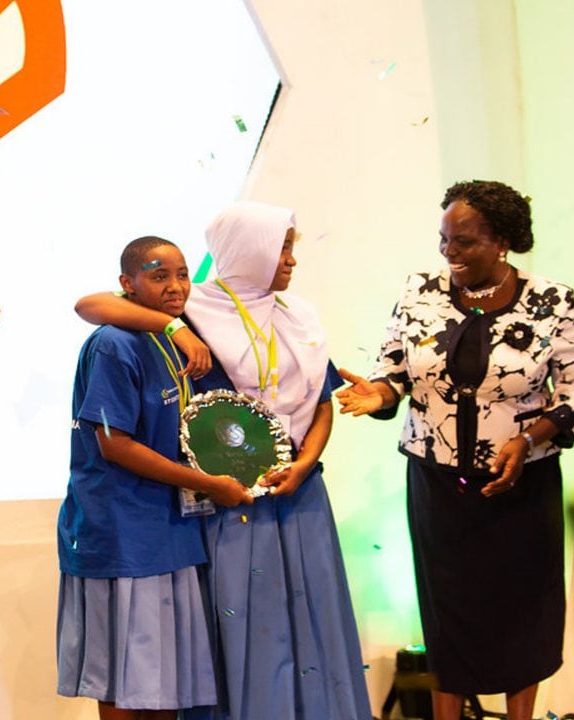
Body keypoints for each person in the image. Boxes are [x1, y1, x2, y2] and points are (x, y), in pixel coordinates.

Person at [76, 203, 372, 720]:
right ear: (248, 251)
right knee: (245, 629)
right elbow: (91, 305)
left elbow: (323, 400)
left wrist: (305, 463)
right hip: (228, 505)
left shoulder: (298, 315)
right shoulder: (192, 312)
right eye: (281, 249)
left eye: (290, 249)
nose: (290, 261)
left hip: (299, 495)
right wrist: (176, 330)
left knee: (311, 618)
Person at [336, 181, 574, 720]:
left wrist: (528, 441)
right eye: (443, 241)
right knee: (446, 610)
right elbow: (395, 371)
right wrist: (379, 394)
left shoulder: (553, 300)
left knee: (525, 608)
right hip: (438, 483)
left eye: (464, 242)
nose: (449, 253)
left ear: (501, 241)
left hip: (523, 483)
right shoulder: (419, 292)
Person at [57, 236, 252, 720]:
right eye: (158, 274)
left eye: (183, 274)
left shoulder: (179, 335)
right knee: (124, 681)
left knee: (168, 679)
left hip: (175, 530)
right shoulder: (112, 344)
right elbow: (113, 444)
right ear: (128, 283)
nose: (175, 286)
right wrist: (207, 483)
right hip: (122, 532)